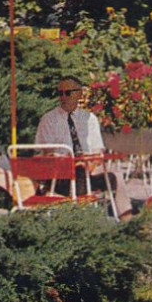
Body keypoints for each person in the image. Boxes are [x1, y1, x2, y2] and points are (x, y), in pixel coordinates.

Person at [34, 77, 131, 215]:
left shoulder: (89, 119)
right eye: (60, 93)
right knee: (78, 169)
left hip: (88, 171)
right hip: (60, 176)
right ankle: (81, 215)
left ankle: (127, 222)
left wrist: (89, 163)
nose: (63, 97)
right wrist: (68, 161)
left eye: (67, 93)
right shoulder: (49, 120)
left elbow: (98, 152)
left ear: (79, 94)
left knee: (116, 176)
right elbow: (47, 154)